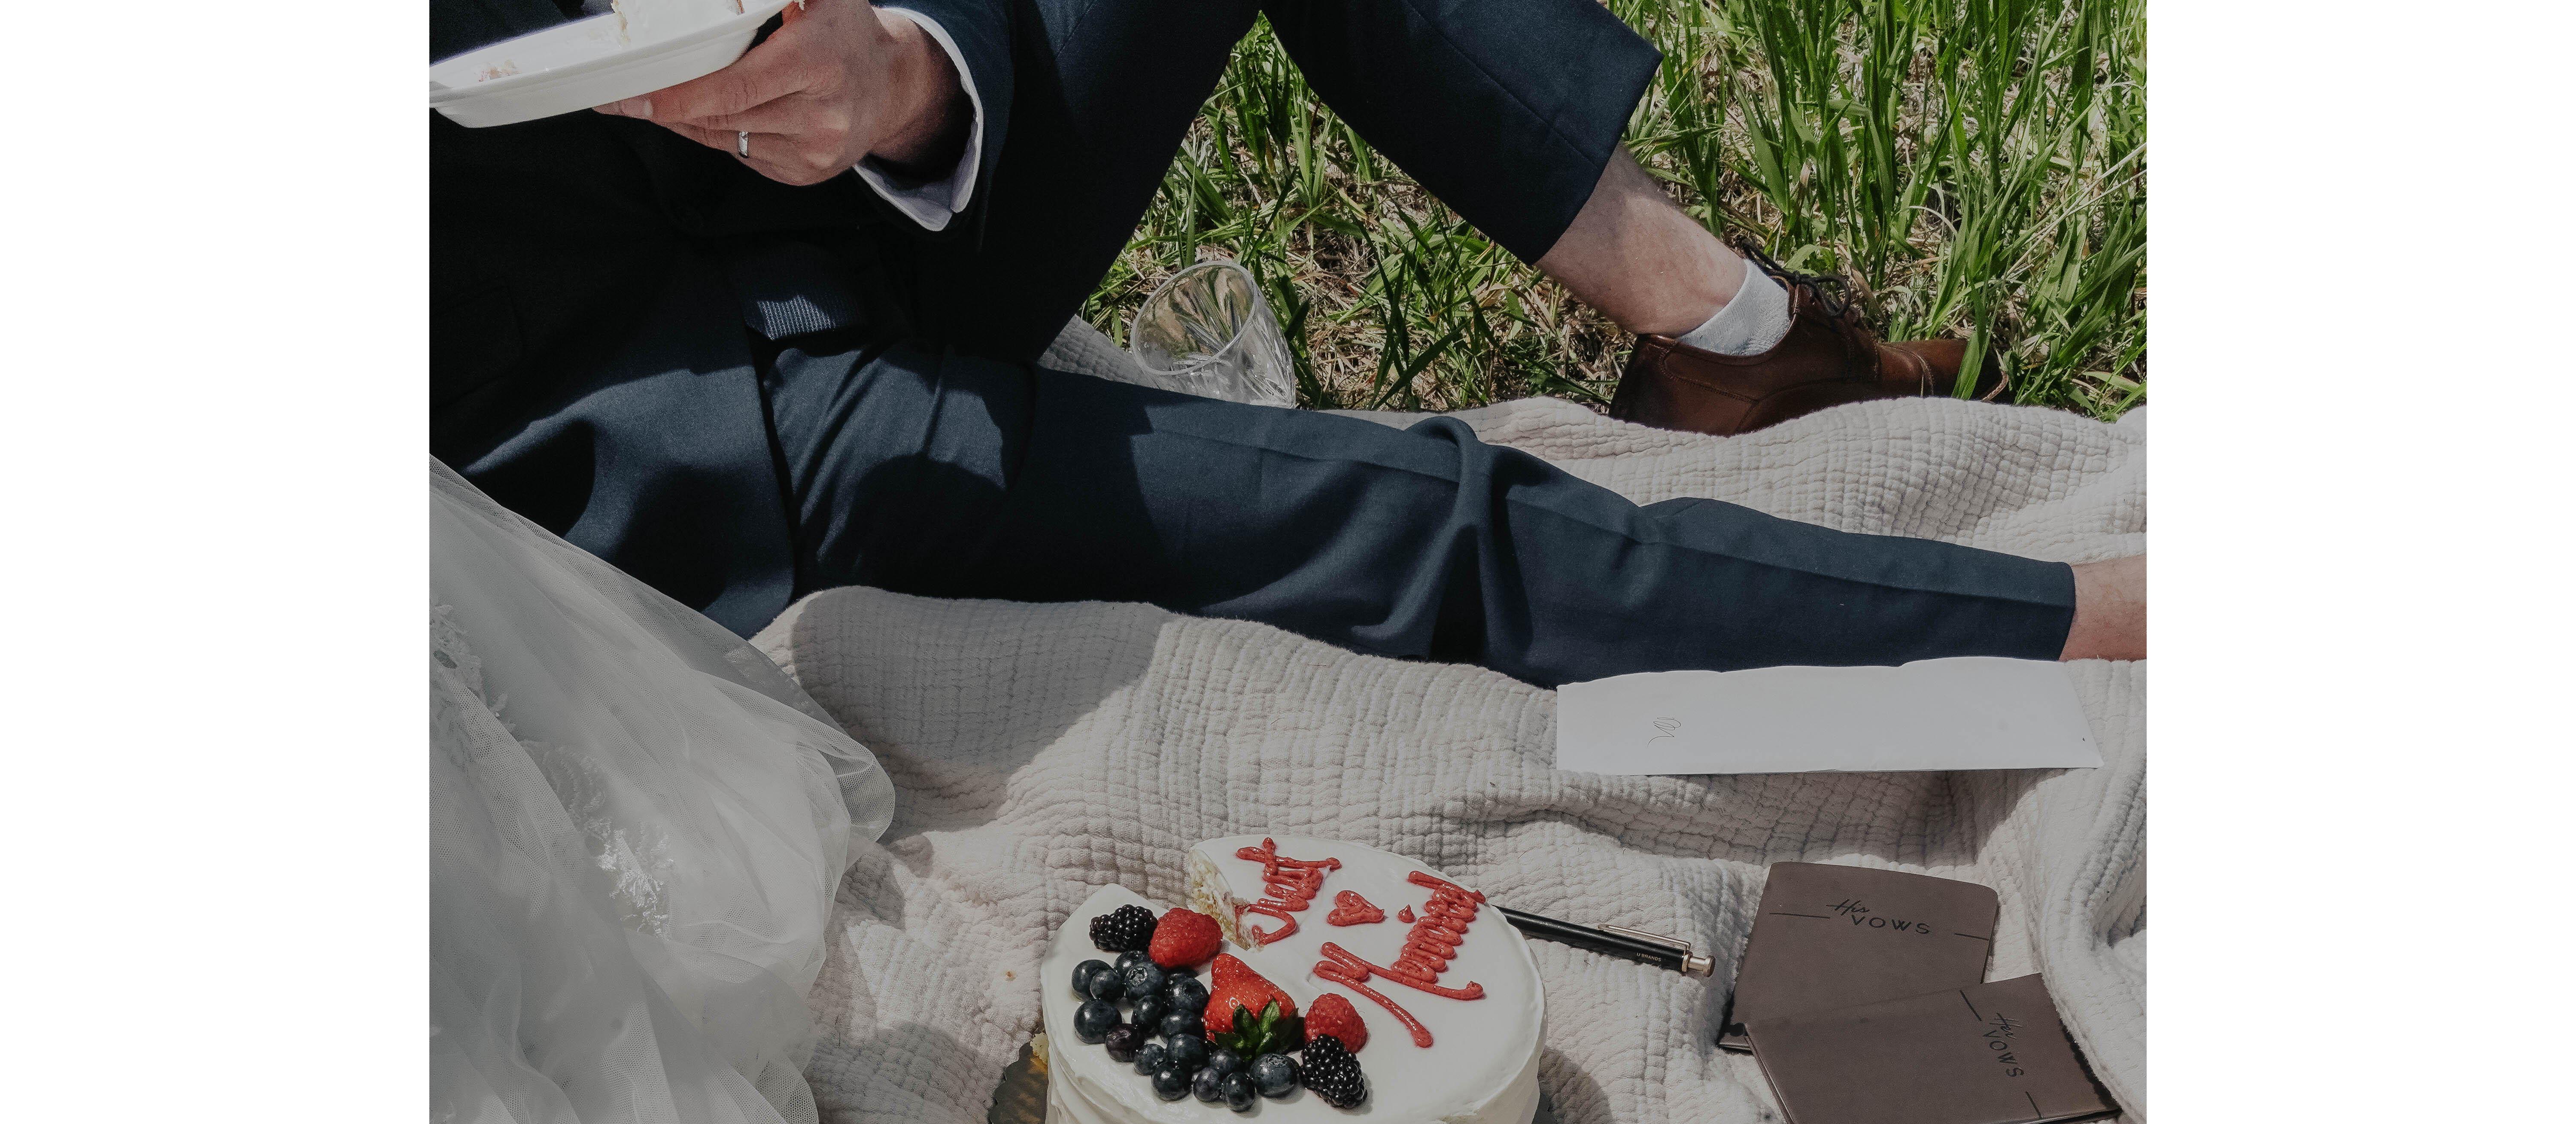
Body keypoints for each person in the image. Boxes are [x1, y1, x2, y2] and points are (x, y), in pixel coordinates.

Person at [432, 0, 2144, 680]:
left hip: (790, 196)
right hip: (647, 440)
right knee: (1389, 514)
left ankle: (1744, 338)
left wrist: (905, 74)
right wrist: (2075, 621)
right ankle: (2057, 618)